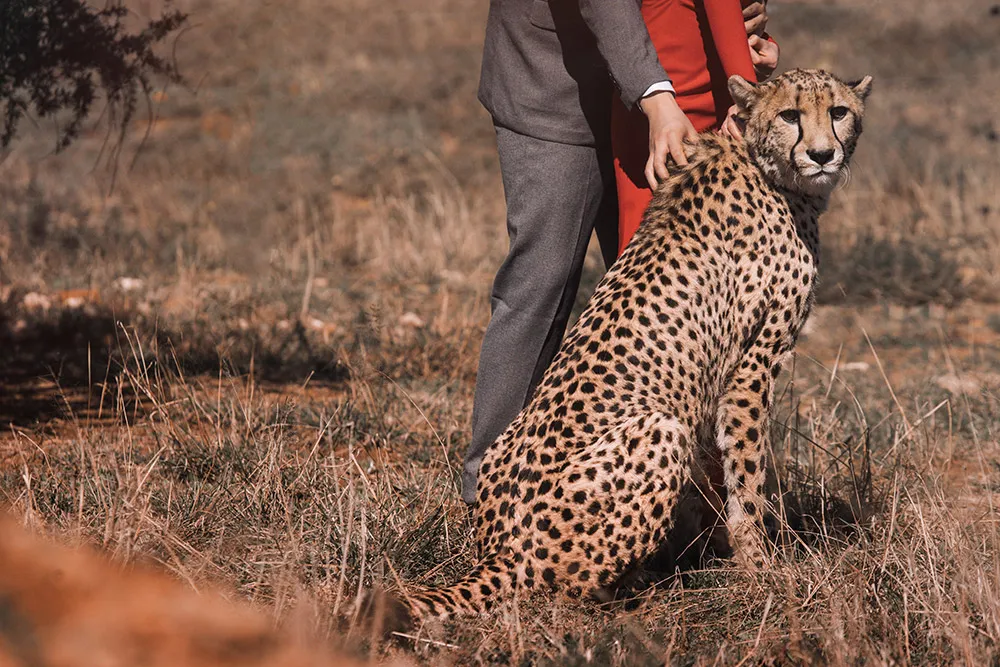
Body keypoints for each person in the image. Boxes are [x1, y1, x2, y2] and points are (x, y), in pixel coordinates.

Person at [461, 0, 770, 505]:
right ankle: (488, 497)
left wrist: (742, 25)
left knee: (667, 307)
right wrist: (655, 96)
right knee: (542, 283)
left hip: (674, 88)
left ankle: (661, 506)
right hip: (560, 89)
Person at [613, 0, 781, 255]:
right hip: (668, 111)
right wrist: (746, 94)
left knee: (725, 265)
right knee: (651, 265)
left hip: (722, 113)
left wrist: (762, 43)